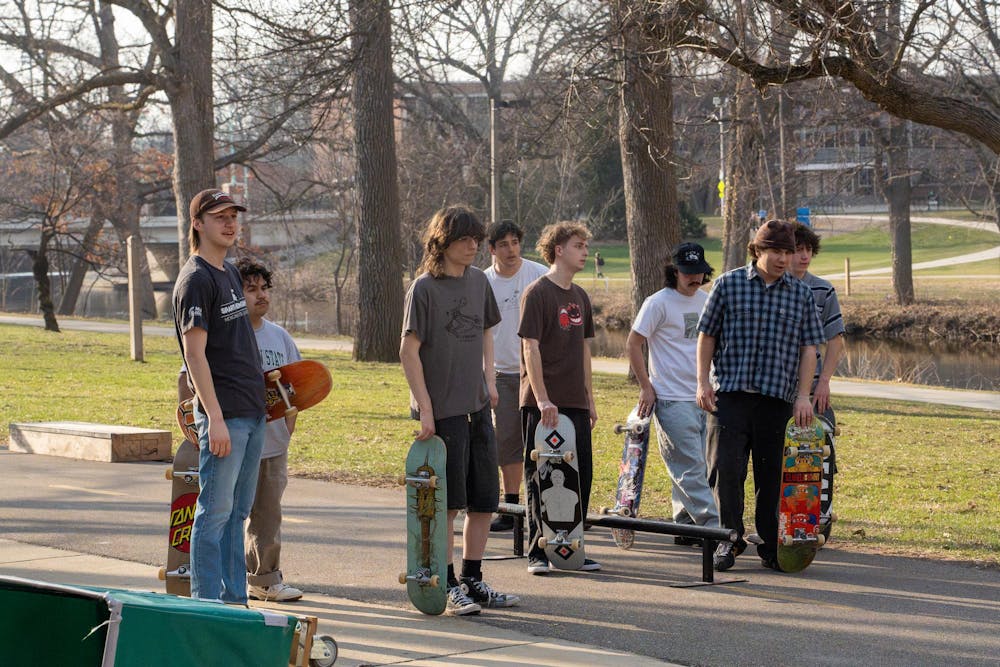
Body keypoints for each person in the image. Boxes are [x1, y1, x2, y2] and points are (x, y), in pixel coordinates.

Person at [399, 205, 520, 615]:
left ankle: (473, 578)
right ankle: (446, 584)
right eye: (464, 239)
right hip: (443, 414)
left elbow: (488, 331)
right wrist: (426, 409)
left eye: (475, 239)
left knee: (485, 501)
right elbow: (408, 351)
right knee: (448, 504)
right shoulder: (424, 288)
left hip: (478, 407)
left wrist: (490, 380)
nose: (473, 246)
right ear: (443, 242)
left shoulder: (478, 283)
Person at [696, 219, 824, 572]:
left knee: (771, 477)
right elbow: (706, 336)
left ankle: (770, 545)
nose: (784, 259)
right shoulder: (728, 284)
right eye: (776, 251)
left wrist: (803, 396)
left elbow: (809, 348)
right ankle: (729, 539)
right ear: (757, 251)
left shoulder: (800, 294)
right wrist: (702, 382)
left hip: (776, 399)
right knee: (726, 470)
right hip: (730, 396)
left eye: (788, 251)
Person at [172, 188, 266, 603]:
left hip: (252, 412)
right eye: (218, 216)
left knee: (237, 516)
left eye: (233, 216)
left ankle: (235, 602)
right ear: (197, 224)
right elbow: (195, 354)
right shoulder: (196, 279)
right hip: (224, 415)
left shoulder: (229, 272)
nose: (229, 223)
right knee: (213, 516)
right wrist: (214, 418)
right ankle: (206, 603)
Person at [519, 221, 601, 575]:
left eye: (585, 246)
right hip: (543, 402)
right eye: (578, 246)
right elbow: (529, 347)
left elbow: (584, 351)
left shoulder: (580, 296)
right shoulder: (537, 293)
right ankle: (539, 550)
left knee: (580, 473)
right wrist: (542, 399)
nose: (585, 252)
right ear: (558, 250)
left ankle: (571, 547)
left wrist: (590, 398)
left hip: (575, 401)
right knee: (543, 472)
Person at [625, 242, 720, 546]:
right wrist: (646, 385)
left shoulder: (708, 301)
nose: (694, 278)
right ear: (675, 272)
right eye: (688, 273)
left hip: (704, 394)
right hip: (670, 397)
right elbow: (633, 344)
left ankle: (685, 524)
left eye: (699, 273)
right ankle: (714, 528)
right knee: (689, 466)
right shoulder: (658, 303)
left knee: (697, 464)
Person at [236, 257, 307, 602]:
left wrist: (287, 430)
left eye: (264, 288)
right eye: (251, 289)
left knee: (267, 516)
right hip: (234, 442)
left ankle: (264, 579)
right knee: (229, 512)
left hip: (273, 445)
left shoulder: (279, 336)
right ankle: (220, 576)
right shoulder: (226, 336)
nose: (261, 295)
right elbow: (187, 379)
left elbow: (296, 387)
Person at [483, 221, 548, 532]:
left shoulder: (537, 274)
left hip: (537, 373)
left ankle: (550, 505)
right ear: (492, 249)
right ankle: (511, 507)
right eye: (503, 244)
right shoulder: (483, 283)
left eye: (515, 242)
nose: (511, 250)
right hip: (502, 373)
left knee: (545, 439)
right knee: (507, 441)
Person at [791, 221, 846, 529]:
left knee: (820, 452)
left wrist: (824, 381)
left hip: (813, 391)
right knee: (781, 460)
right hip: (779, 390)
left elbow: (836, 340)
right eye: (798, 250)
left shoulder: (823, 289)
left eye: (809, 250)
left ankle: (819, 517)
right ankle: (780, 519)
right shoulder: (770, 289)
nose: (804, 256)